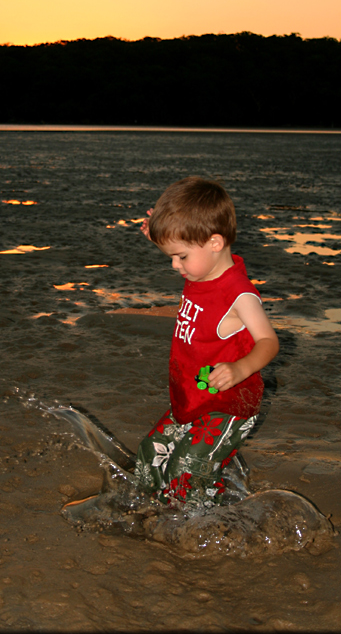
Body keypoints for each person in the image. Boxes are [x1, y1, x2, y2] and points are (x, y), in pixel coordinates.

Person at [134, 176, 279, 510]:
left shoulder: (238, 294)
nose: (175, 265)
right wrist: (159, 232)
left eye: (180, 256)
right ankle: (148, 509)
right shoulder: (201, 268)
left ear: (215, 243)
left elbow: (269, 341)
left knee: (188, 470)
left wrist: (241, 367)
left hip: (228, 405)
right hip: (193, 394)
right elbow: (184, 246)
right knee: (149, 453)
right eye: (171, 255)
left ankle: (198, 526)